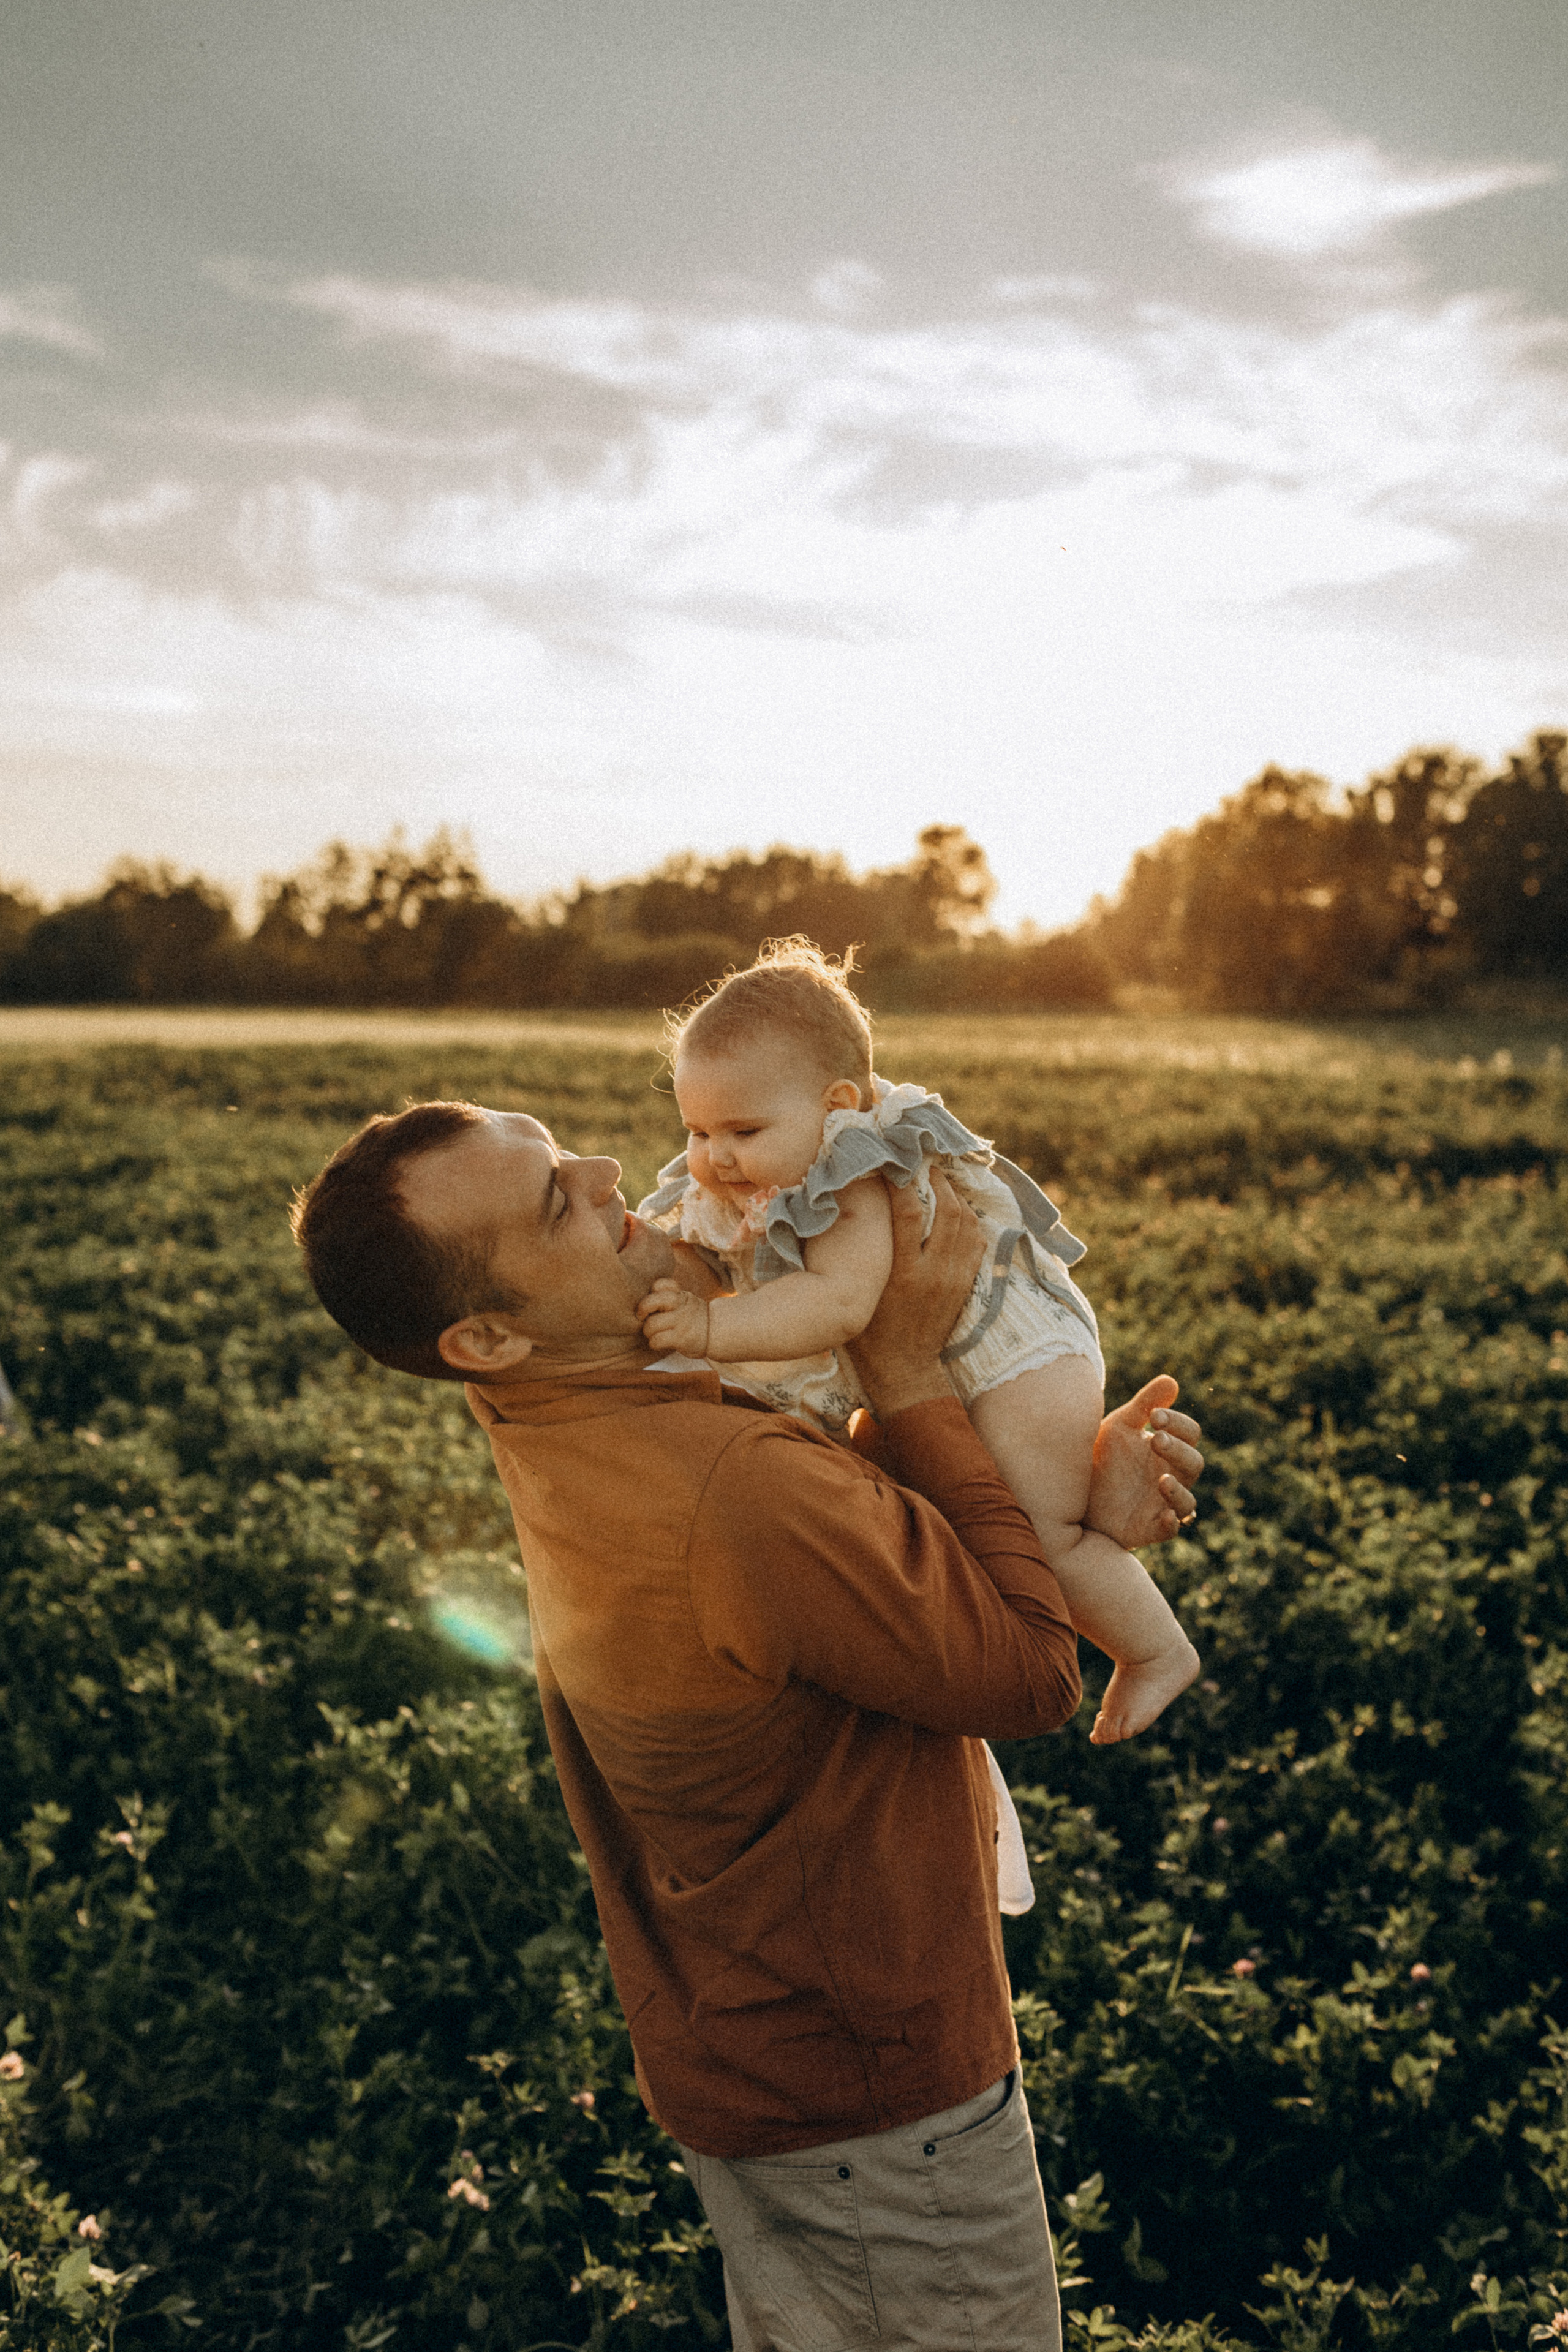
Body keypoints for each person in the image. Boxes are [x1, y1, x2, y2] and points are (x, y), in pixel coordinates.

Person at [291, 1098, 1205, 2352]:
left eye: (561, 1149)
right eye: (557, 1201)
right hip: (872, 2097)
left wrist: (1059, 1503)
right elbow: (1033, 1672)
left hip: (744, 2047)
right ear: (487, 1336)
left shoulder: (552, 1406)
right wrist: (911, 1372)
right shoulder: (732, 1491)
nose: (607, 1171)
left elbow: (828, 1564)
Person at [635, 940, 1198, 1750]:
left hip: (1015, 1356)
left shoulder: (850, 1172)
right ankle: (1094, 1491)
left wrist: (709, 1328)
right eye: (696, 1129)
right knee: (955, 1506)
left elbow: (839, 1304)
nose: (715, 1157)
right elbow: (711, 1250)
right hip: (956, 1360)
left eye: (742, 1129)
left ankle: (1155, 1651)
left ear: (838, 1106)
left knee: (1043, 1534)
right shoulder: (766, 1164)